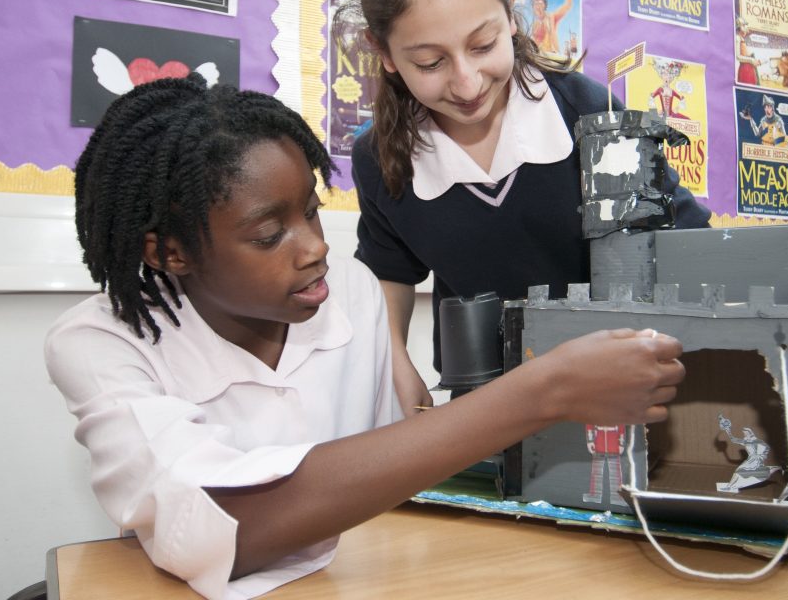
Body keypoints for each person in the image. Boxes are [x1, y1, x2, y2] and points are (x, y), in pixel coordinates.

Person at [45, 75, 687, 600]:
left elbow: (400, 472)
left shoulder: (348, 292)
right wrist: (541, 392)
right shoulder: (103, 345)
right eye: (271, 235)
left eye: (313, 212)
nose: (316, 249)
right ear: (171, 253)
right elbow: (222, 528)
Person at [340, 0, 711, 413]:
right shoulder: (381, 156)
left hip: (619, 394)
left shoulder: (587, 115)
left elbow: (688, 245)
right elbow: (389, 272)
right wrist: (393, 358)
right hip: (485, 407)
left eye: (483, 44)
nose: (467, 83)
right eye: (430, 62)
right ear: (383, 52)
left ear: (512, 10)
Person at [735, 17, 760, 86]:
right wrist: (751, 60)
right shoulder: (737, 38)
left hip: (749, 69)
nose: (746, 28)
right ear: (740, 27)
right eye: (744, 25)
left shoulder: (742, 38)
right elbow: (738, 57)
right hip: (745, 69)